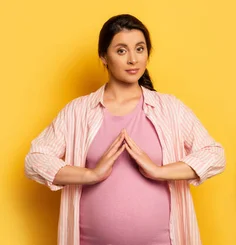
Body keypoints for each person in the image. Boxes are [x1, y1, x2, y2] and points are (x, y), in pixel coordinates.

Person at [24, 14, 225, 245]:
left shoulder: (169, 109)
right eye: (121, 51)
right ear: (103, 57)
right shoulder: (77, 112)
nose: (133, 59)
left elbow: (214, 154)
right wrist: (91, 175)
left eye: (140, 49)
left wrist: (159, 171)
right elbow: (35, 160)